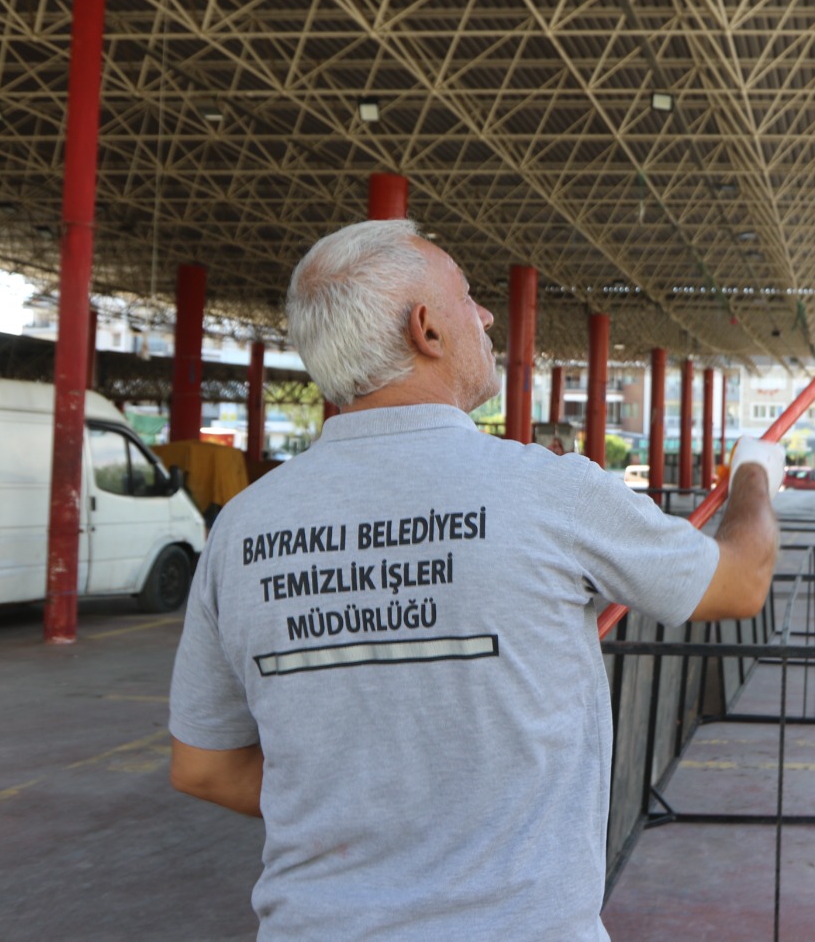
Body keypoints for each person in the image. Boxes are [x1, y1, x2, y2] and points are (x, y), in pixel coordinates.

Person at [167, 219, 781, 941]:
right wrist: (752, 477)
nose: (486, 316)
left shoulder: (240, 528)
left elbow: (203, 768)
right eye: (467, 297)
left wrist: (353, 812)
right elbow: (740, 582)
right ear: (426, 329)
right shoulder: (549, 492)